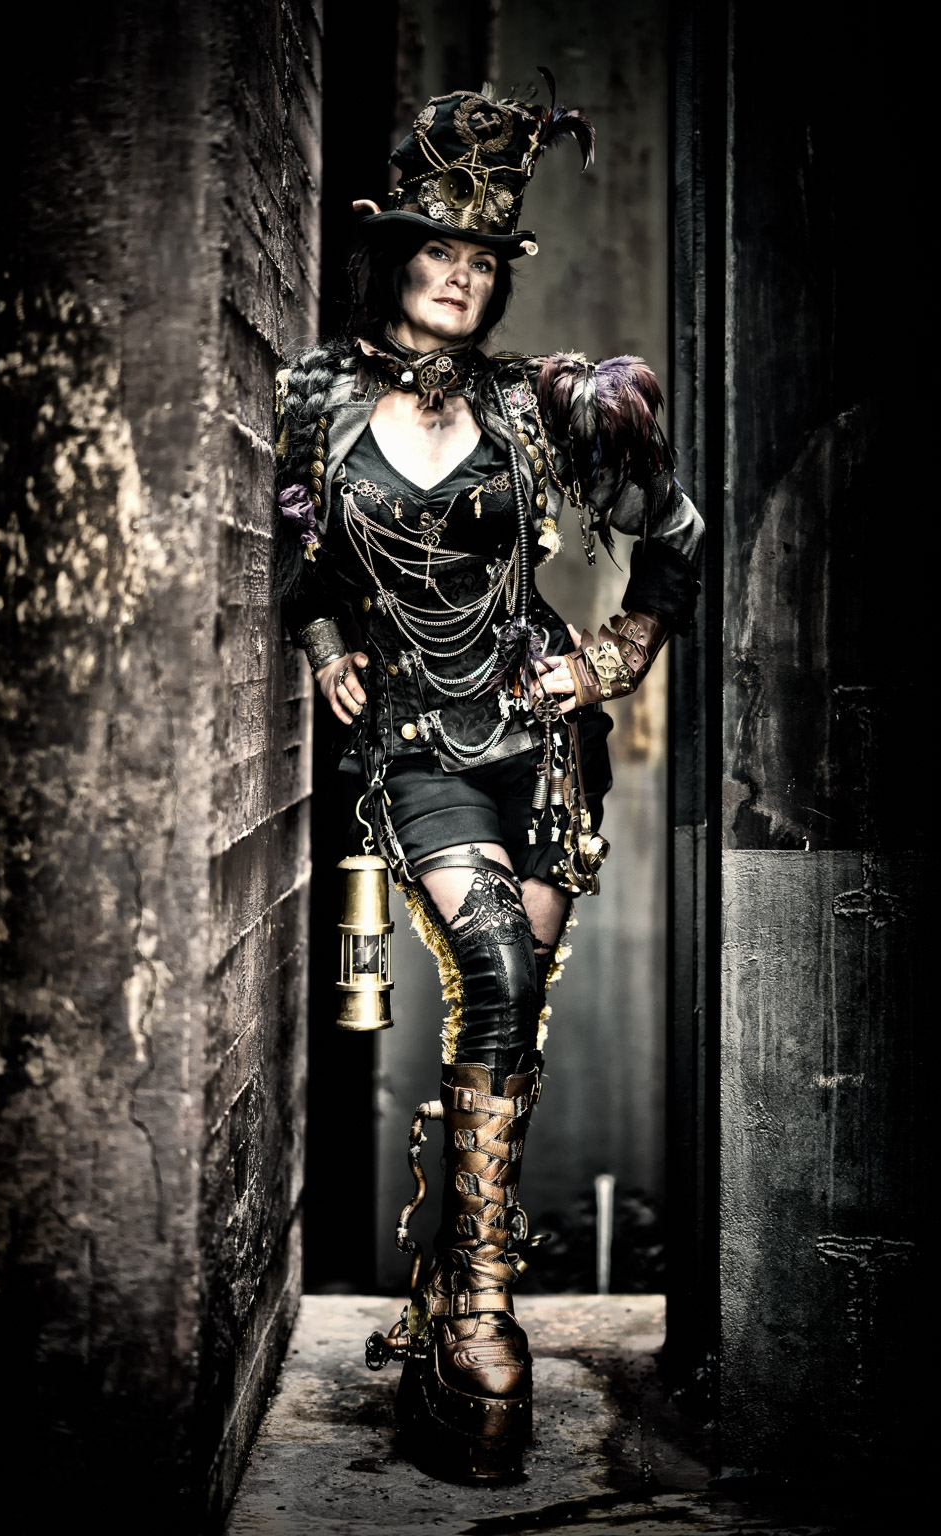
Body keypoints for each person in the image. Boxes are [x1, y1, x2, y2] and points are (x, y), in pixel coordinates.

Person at [274, 81, 703, 1485]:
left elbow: (677, 531)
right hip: (415, 744)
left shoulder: (537, 404)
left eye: (480, 259)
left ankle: (442, 1288)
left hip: (544, 751)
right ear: (396, 258)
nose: (458, 277)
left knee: (505, 1018)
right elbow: (296, 565)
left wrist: (616, 655)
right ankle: (479, 1315)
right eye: (437, 252)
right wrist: (326, 645)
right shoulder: (315, 394)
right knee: (495, 969)